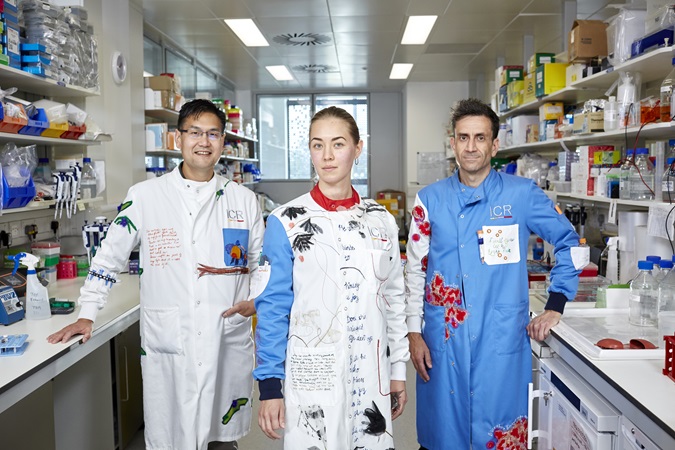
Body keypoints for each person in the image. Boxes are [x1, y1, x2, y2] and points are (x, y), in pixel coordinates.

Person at [47, 99, 264, 450]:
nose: (203, 142)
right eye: (194, 132)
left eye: (213, 134)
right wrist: (87, 314)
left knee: (221, 440)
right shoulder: (146, 196)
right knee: (173, 436)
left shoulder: (242, 200)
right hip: (171, 342)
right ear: (178, 139)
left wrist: (256, 298)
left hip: (226, 339)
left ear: (223, 142)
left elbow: (260, 262)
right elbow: (108, 258)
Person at [405, 98, 583, 450]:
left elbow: (571, 243)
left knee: (498, 435)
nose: (471, 147)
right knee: (442, 437)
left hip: (500, 339)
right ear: (452, 143)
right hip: (443, 341)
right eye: (463, 137)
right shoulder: (430, 200)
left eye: (480, 138)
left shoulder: (521, 196)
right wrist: (413, 332)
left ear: (495, 144)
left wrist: (556, 304)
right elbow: (415, 271)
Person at [253, 106, 410, 449]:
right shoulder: (286, 222)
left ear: (358, 148)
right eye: (316, 145)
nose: (326, 156)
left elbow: (394, 300)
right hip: (312, 372)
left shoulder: (380, 220)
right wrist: (269, 386)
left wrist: (397, 371)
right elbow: (273, 307)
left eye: (338, 144)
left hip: (371, 373)